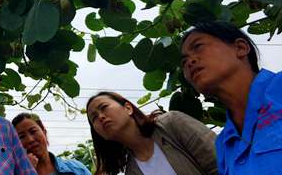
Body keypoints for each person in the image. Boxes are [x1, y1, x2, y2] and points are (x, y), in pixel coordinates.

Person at [181, 21, 282, 174]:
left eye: (198, 47)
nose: (190, 61)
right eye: (184, 61)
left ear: (240, 48)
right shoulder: (224, 145)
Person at [85, 91, 218, 175]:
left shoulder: (171, 124)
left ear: (128, 108)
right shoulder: (132, 171)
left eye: (104, 107)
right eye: (94, 118)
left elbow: (221, 163)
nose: (101, 117)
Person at [12, 113, 91, 175]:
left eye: (33, 131)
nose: (30, 140)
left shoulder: (76, 169)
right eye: (21, 137)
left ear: (44, 132)